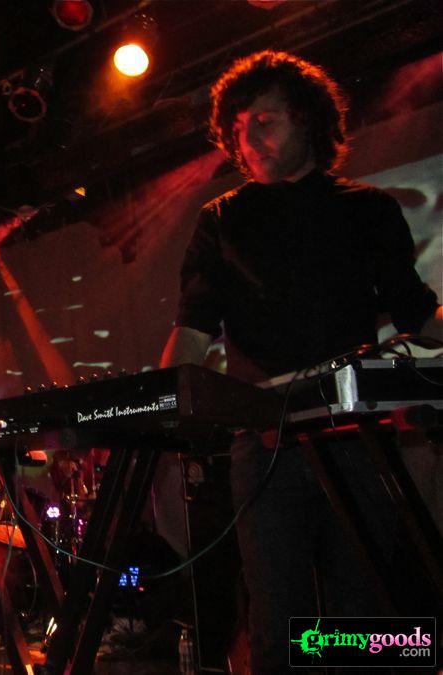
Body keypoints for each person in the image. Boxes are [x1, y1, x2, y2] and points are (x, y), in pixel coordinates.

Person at [159, 50, 441, 674]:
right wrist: (158, 406)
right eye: (238, 128)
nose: (249, 139)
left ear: (307, 119)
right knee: (277, 616)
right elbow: (193, 329)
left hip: (356, 437)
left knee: (357, 614)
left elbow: (416, 311)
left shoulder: (367, 208)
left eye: (265, 121)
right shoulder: (220, 220)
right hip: (263, 441)